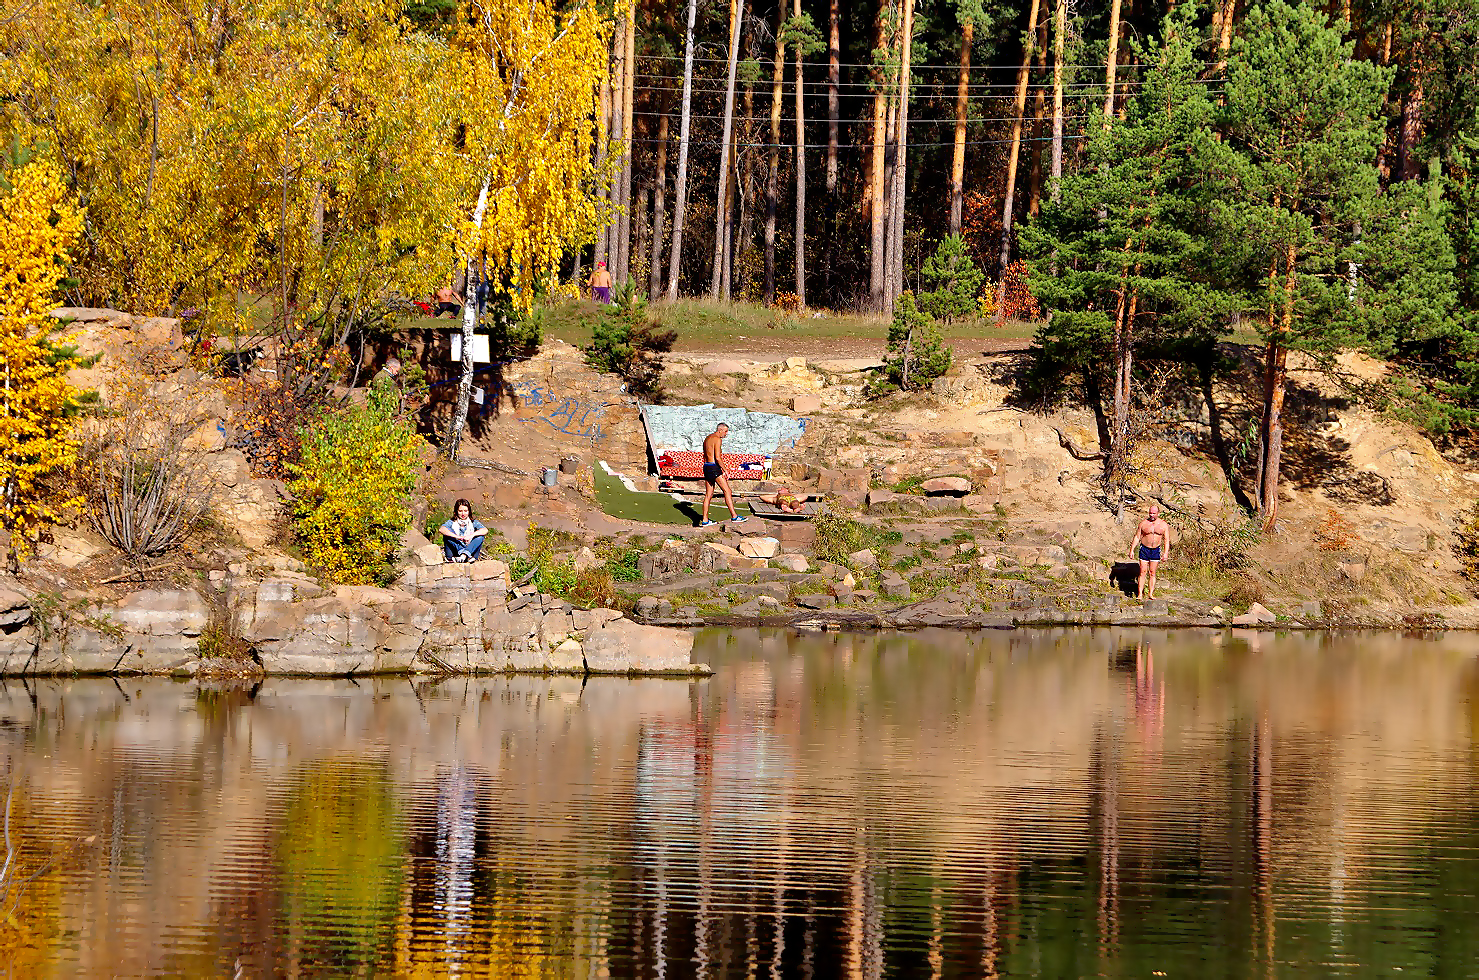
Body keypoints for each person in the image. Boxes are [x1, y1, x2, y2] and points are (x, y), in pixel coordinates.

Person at [698, 423, 747, 527]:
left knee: (708, 495)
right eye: (725, 431)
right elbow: (718, 457)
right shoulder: (717, 439)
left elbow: (705, 455)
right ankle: (734, 516)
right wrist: (725, 470)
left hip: (706, 466)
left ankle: (705, 520)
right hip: (713, 467)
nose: (726, 434)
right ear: (720, 430)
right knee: (727, 491)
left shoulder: (707, 438)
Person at [1128, 503, 1172, 600]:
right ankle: (1140, 594)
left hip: (1155, 550)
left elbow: (1166, 540)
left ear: (1158, 513)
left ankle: (1150, 594)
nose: (1152, 515)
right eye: (1150, 513)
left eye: (1154, 513)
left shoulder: (1163, 525)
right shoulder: (1143, 523)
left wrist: (1165, 553)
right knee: (1142, 572)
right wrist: (1132, 550)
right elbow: (1137, 537)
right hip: (1144, 549)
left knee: (1152, 572)